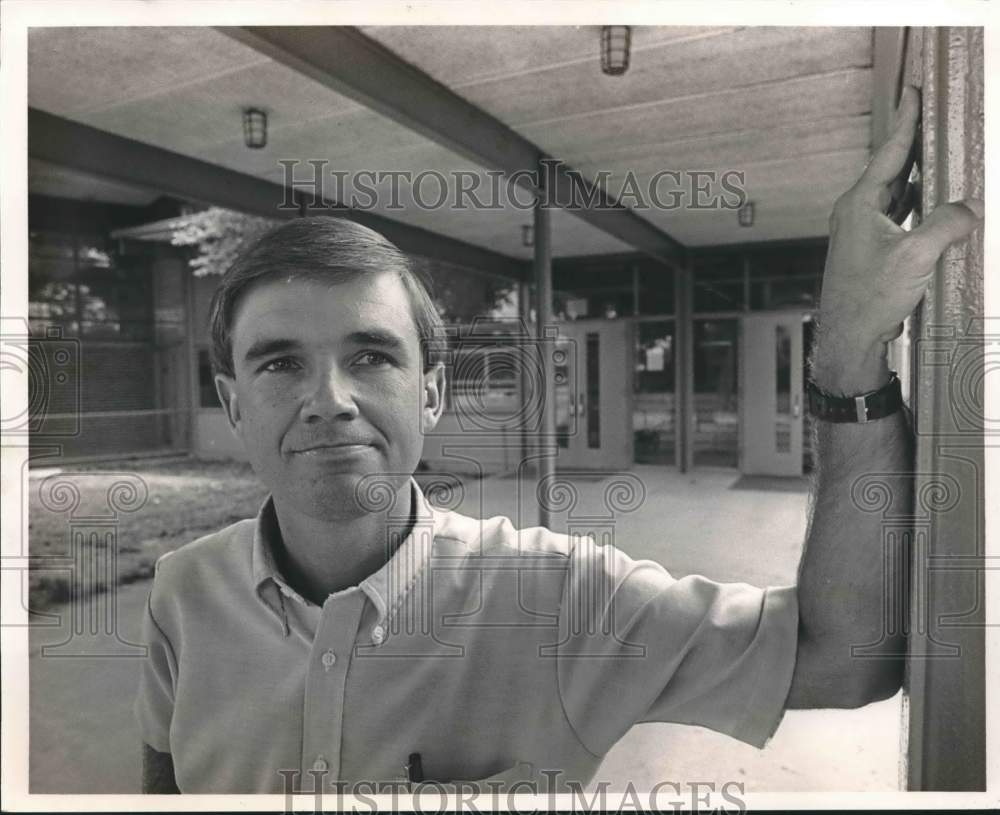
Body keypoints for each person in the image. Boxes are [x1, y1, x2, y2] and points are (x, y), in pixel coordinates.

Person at [135, 86, 983, 794]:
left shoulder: (563, 598)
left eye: (370, 355)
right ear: (232, 402)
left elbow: (845, 662)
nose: (329, 400)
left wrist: (845, 360)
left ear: (430, 392)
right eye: (280, 362)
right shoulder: (181, 594)